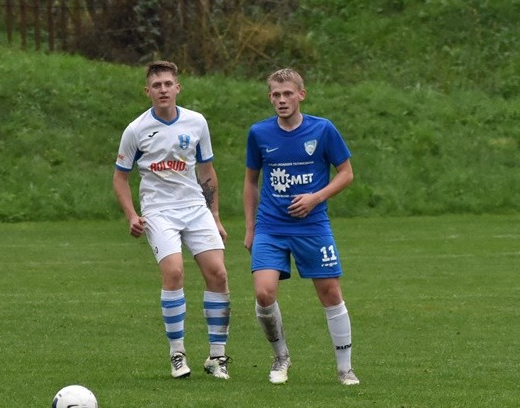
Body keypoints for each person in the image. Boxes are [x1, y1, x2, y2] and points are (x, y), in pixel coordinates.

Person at [113, 61, 231, 380]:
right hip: (159, 210)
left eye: (168, 84)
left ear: (178, 87)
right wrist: (132, 215)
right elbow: (120, 177)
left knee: (218, 274)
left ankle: (217, 357)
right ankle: (177, 354)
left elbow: (206, 171)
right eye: (157, 85)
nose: (163, 90)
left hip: (195, 207)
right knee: (174, 272)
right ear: (147, 91)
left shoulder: (196, 122)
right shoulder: (136, 130)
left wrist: (215, 216)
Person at [243, 68, 358, 386]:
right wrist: (251, 228)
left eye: (288, 94)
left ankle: (345, 369)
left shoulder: (323, 129)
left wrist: (315, 198)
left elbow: (346, 173)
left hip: (313, 227)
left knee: (330, 293)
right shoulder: (259, 133)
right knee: (263, 293)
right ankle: (281, 357)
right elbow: (251, 182)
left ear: (301, 95)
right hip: (270, 227)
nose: (282, 100)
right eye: (276, 95)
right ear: (270, 98)